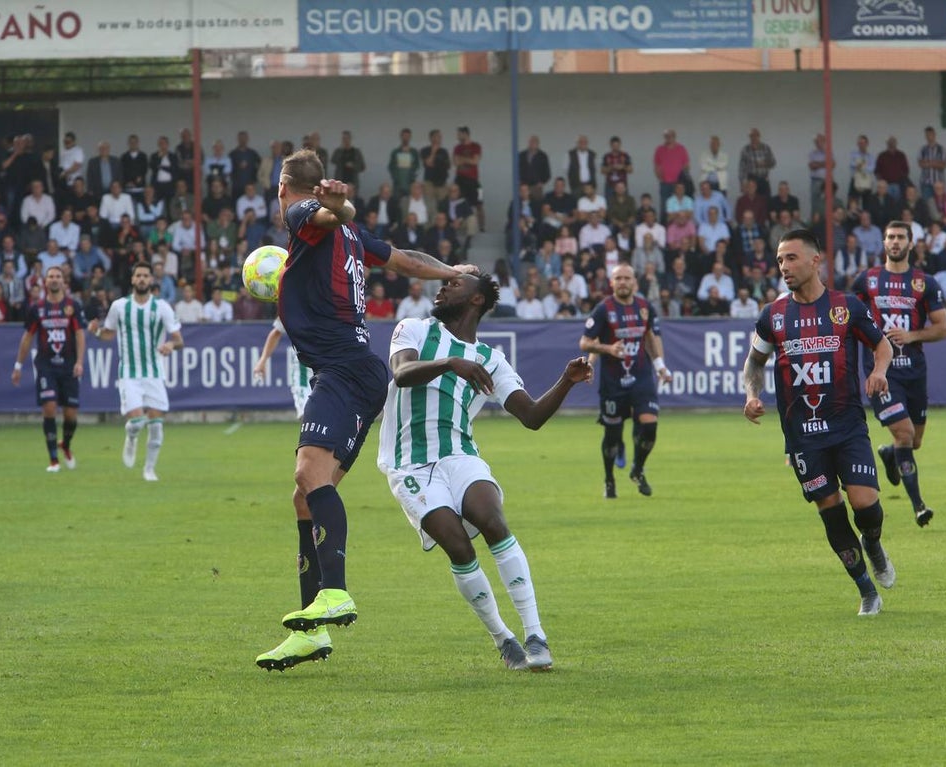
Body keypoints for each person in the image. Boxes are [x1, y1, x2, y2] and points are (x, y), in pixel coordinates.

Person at [255, 149, 471, 672]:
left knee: (308, 471)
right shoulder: (348, 237)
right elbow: (403, 259)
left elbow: (329, 215)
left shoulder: (302, 215)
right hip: (360, 373)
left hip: (343, 370)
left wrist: (339, 205)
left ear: (284, 187)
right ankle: (313, 630)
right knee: (304, 498)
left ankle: (336, 592)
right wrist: (453, 270)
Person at [374, 272, 591, 670]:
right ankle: (504, 640)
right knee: (458, 545)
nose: (443, 285)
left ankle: (535, 634)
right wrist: (451, 363)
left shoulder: (492, 359)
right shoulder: (414, 329)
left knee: (492, 520)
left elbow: (531, 416)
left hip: (461, 455)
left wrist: (566, 381)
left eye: (454, 283)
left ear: (477, 300)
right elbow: (402, 374)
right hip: (409, 463)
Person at [742, 229, 896, 616]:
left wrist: (879, 371)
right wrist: (751, 394)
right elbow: (754, 363)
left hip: (846, 427)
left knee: (865, 504)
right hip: (803, 438)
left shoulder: (846, 307)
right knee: (829, 508)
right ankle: (866, 591)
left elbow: (882, 345)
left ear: (815, 261)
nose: (784, 267)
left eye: (791, 258)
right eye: (779, 260)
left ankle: (873, 543)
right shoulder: (773, 315)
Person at [852, 221, 946, 527]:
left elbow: (942, 329)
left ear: (911, 243)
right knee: (905, 433)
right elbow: (847, 320)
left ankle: (890, 454)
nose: (895, 242)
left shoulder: (925, 283)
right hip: (882, 372)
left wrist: (912, 335)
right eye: (890, 237)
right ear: (884, 242)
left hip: (914, 372)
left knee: (913, 441)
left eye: (900, 237)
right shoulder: (865, 281)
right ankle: (919, 506)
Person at [579, 263, 673, 500]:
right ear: (611, 283)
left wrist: (660, 366)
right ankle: (609, 479)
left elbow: (651, 336)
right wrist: (607, 348)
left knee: (650, 427)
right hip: (613, 382)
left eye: (626, 278)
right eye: (618, 278)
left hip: (642, 378)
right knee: (612, 436)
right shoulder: (604, 309)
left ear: (634, 282)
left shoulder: (645, 307)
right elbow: (585, 342)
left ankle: (637, 469)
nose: (622, 282)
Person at [87, 262, 185, 482]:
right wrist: (95, 333)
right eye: (138, 275)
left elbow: (179, 340)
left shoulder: (162, 307)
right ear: (132, 280)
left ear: (151, 280)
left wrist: (170, 345)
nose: (142, 279)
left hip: (154, 372)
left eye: (145, 276)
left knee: (157, 429)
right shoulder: (120, 306)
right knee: (137, 422)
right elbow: (109, 334)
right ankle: (131, 438)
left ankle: (149, 470)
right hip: (129, 373)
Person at [11, 266, 87, 471]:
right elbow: (27, 338)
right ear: (45, 281)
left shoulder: (73, 306)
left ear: (64, 281)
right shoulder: (37, 309)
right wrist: (18, 365)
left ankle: (66, 445)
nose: (54, 279)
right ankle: (53, 460)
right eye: (51, 276)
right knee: (50, 407)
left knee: (71, 414)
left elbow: (80, 335)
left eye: (58, 276)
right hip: (46, 366)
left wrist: (80, 362)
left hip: (69, 366)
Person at [254, 318, 312, 419]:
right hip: (303, 373)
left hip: (327, 369)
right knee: (307, 416)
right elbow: (277, 332)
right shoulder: (292, 305)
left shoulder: (333, 305)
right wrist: (262, 360)